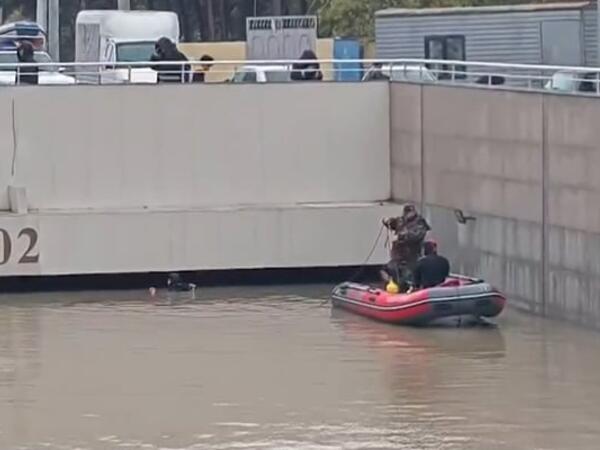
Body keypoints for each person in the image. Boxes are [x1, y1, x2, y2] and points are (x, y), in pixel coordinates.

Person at [381, 204, 431, 290]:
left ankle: (411, 287)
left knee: (409, 272)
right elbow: (394, 223)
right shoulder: (401, 220)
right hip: (398, 252)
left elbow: (418, 235)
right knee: (391, 269)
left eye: (410, 212)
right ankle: (395, 285)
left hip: (412, 252)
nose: (407, 214)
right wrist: (387, 221)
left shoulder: (419, 222)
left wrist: (403, 236)